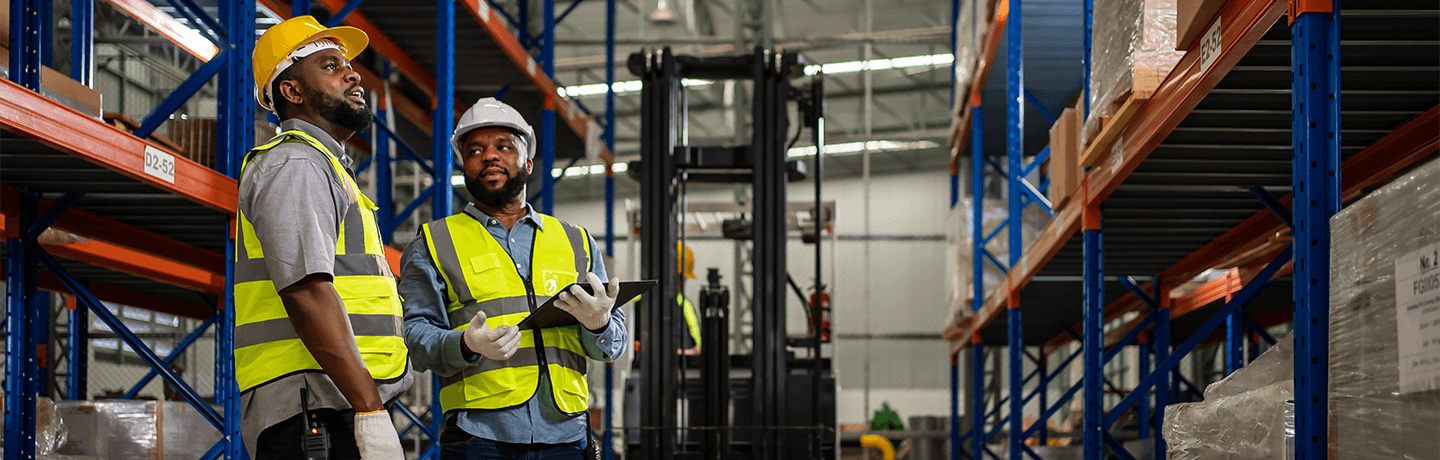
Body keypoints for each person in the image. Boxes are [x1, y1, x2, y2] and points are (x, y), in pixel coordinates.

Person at [400, 97, 626, 459]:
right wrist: (465, 344)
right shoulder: (433, 243)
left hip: (567, 436)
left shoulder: (575, 240)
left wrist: (600, 324)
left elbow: (613, 345)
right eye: (475, 150)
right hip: (481, 438)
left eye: (504, 147)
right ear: (464, 166)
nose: (489, 156)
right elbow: (414, 338)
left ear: (528, 162)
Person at [236, 15, 410, 460]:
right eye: (331, 66)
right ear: (292, 91)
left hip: (332, 403)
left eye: (347, 64)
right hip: (311, 409)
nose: (352, 73)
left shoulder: (325, 168)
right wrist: (369, 409)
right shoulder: (296, 165)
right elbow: (307, 292)